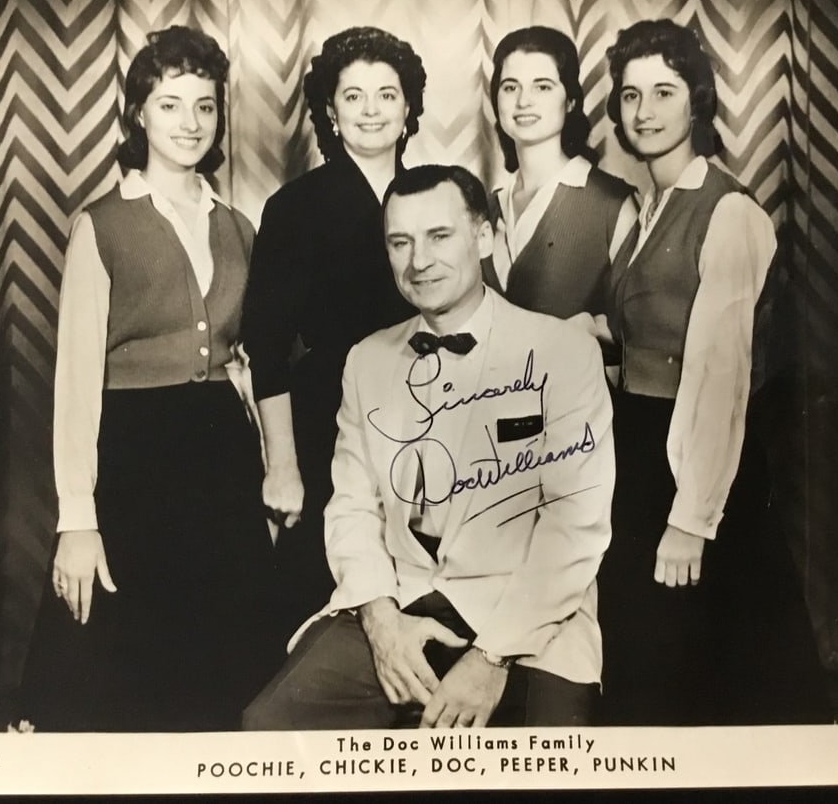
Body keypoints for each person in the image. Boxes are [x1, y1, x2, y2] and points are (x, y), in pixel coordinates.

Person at [243, 164, 615, 731]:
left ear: (484, 237)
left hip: (531, 622)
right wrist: (381, 622)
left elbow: (575, 529)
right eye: (401, 242)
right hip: (400, 601)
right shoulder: (366, 360)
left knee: (546, 769)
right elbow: (351, 509)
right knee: (269, 727)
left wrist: (490, 659)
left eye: (439, 237)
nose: (419, 261)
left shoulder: (562, 352)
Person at [16, 26, 280, 731]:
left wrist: (266, 470)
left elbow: (245, 365)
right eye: (170, 105)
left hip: (220, 461)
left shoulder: (239, 226)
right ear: (138, 114)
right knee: (117, 680)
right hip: (135, 463)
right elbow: (75, 382)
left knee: (220, 678)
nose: (190, 123)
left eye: (204, 106)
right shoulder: (100, 226)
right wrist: (78, 517)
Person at [598, 18, 830, 725]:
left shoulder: (729, 212)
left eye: (664, 92)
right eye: (631, 95)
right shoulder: (641, 208)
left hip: (699, 457)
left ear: (696, 101)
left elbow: (719, 374)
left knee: (722, 667)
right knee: (650, 654)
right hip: (639, 447)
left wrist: (694, 518)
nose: (645, 111)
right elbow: (640, 326)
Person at [241, 27, 426, 646]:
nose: (371, 110)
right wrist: (284, 467)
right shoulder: (294, 207)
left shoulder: (434, 198)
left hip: (430, 414)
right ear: (329, 111)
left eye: (386, 95)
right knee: (323, 607)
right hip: (330, 425)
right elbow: (265, 349)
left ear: (408, 111)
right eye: (353, 96)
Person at [482, 26, 632, 331]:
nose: (523, 101)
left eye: (543, 86)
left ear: (571, 102)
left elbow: (638, 328)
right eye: (510, 87)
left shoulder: (612, 204)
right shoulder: (488, 206)